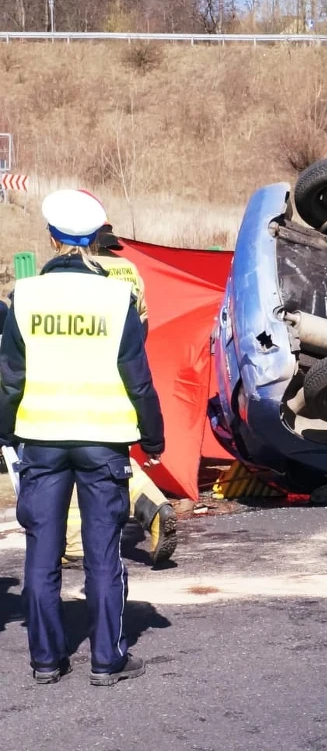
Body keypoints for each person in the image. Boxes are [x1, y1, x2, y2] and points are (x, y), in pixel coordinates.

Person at [0, 189, 164, 685]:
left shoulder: (22, 297)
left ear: (51, 238)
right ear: (95, 238)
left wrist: (8, 434)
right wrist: (153, 439)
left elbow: (10, 378)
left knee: (42, 552)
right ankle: (106, 661)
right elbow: (138, 378)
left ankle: (46, 661)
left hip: (42, 442)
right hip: (102, 442)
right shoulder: (118, 299)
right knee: (103, 553)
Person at [60, 220, 177, 566]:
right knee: (111, 457)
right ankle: (153, 505)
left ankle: (74, 545)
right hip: (122, 376)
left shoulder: (76, 274)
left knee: (70, 456)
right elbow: (141, 327)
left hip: (80, 378)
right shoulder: (129, 270)